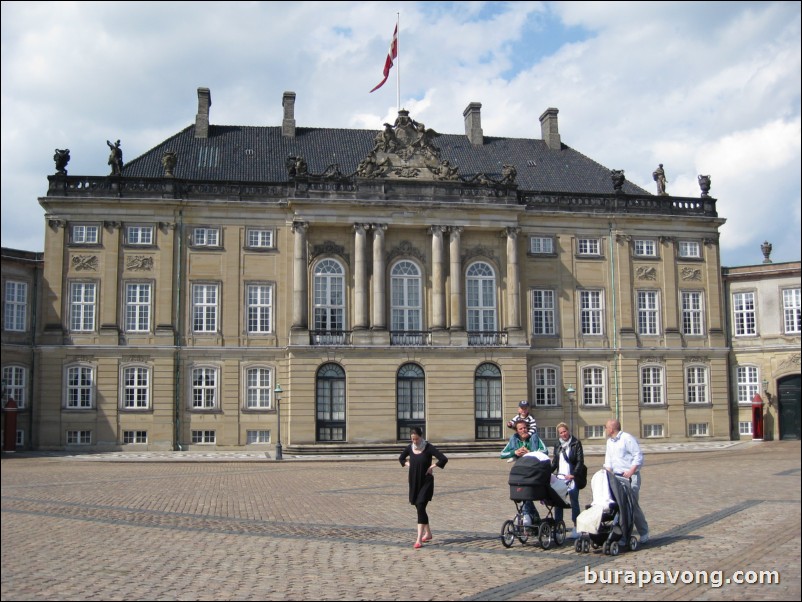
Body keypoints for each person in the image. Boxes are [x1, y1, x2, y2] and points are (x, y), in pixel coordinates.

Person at [399, 427, 448, 549]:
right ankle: (429, 534)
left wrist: (432, 466)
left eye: (416, 439)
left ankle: (419, 539)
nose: (414, 441)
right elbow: (401, 458)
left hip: (426, 481)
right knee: (419, 507)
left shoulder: (428, 447)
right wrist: (408, 464)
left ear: (421, 437)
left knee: (421, 505)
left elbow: (443, 458)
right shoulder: (410, 448)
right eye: (412, 439)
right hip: (414, 481)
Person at [603, 418, 650, 543]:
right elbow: (608, 460)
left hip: (630, 476)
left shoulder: (627, 438)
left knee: (631, 504)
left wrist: (631, 471)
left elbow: (638, 456)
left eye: (606, 427)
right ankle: (621, 534)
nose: (605, 429)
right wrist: (606, 474)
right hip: (617, 477)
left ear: (612, 428)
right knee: (619, 505)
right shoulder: (609, 442)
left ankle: (643, 531)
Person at [501, 420, 541, 525]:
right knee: (522, 494)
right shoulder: (514, 440)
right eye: (520, 428)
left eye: (524, 427)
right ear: (517, 431)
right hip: (520, 472)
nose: (523, 430)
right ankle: (534, 518)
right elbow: (502, 454)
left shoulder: (533, 438)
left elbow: (544, 451)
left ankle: (526, 514)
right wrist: (515, 452)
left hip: (532, 472)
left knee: (525, 494)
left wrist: (530, 453)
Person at [551, 422, 585, 538]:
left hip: (572, 478)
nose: (563, 434)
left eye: (565, 431)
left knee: (574, 502)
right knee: (558, 503)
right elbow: (555, 462)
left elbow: (580, 461)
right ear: (559, 434)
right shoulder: (557, 445)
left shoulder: (576, 443)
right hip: (560, 478)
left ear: (568, 431)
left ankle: (576, 527)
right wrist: (547, 472)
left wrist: (573, 474)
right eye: (561, 432)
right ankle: (559, 528)